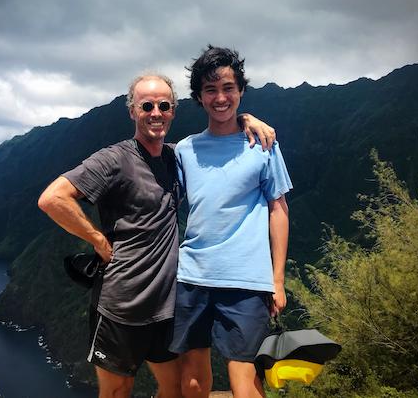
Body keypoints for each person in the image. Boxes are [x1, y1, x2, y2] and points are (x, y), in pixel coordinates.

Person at [38, 73, 275, 398]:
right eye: (146, 105)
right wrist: (97, 239)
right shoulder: (115, 159)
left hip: (166, 307)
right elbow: (53, 198)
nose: (156, 112)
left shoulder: (176, 157)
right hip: (120, 306)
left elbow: (217, 138)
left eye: (164, 105)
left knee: (175, 388)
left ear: (173, 111)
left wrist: (245, 119)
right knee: (117, 392)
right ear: (133, 111)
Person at [169, 46, 292, 398]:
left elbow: (278, 210)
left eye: (228, 88)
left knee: (245, 380)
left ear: (240, 91)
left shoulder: (264, 144)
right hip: (192, 274)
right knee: (191, 374)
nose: (220, 97)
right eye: (211, 89)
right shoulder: (185, 150)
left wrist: (277, 280)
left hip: (246, 280)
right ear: (198, 97)